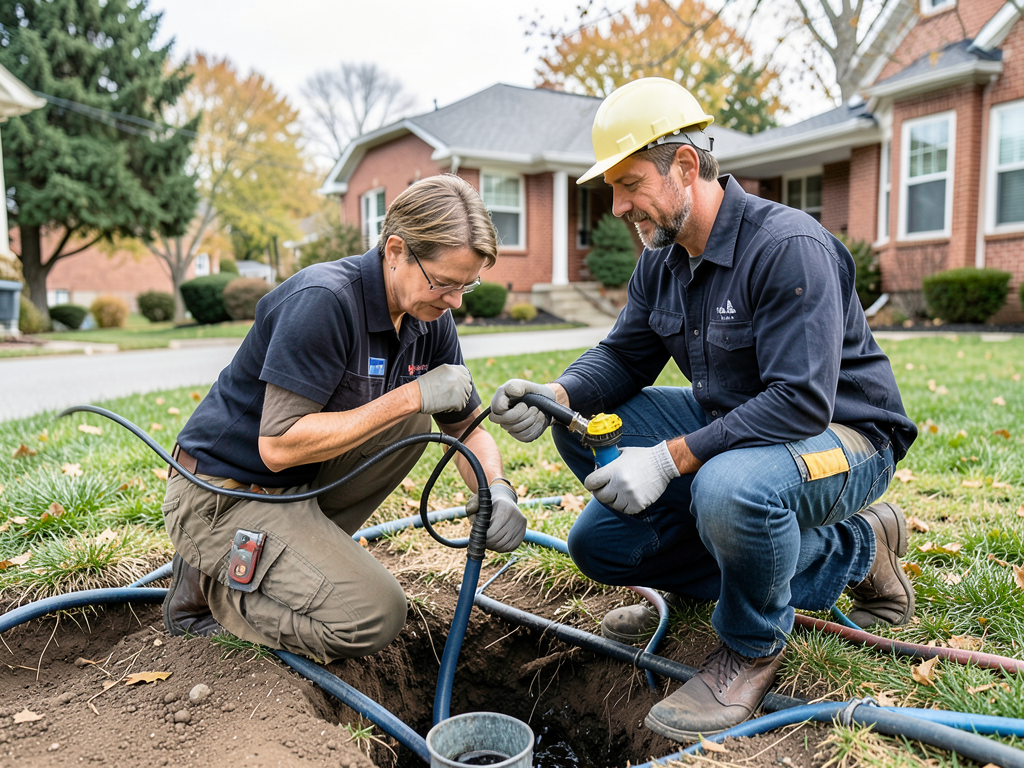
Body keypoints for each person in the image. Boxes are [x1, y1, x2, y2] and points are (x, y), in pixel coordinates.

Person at [488, 78, 918, 742]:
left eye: (630, 184)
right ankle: (811, 554)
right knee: (598, 537)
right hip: (745, 428)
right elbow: (624, 358)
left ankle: (755, 641)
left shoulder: (786, 247)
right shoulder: (661, 262)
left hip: (845, 434)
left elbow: (801, 400)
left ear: (685, 166)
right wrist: (558, 399)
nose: (619, 205)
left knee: (729, 487)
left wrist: (670, 459)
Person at [161, 174, 527, 663]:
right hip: (221, 493)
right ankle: (218, 591)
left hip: (297, 488)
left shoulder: (430, 317)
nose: (455, 301)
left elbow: (465, 430)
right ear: (395, 250)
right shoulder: (325, 301)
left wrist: (496, 489)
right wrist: (411, 396)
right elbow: (278, 446)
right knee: (372, 616)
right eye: (444, 282)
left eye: (468, 286)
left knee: (415, 426)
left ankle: (277, 555)